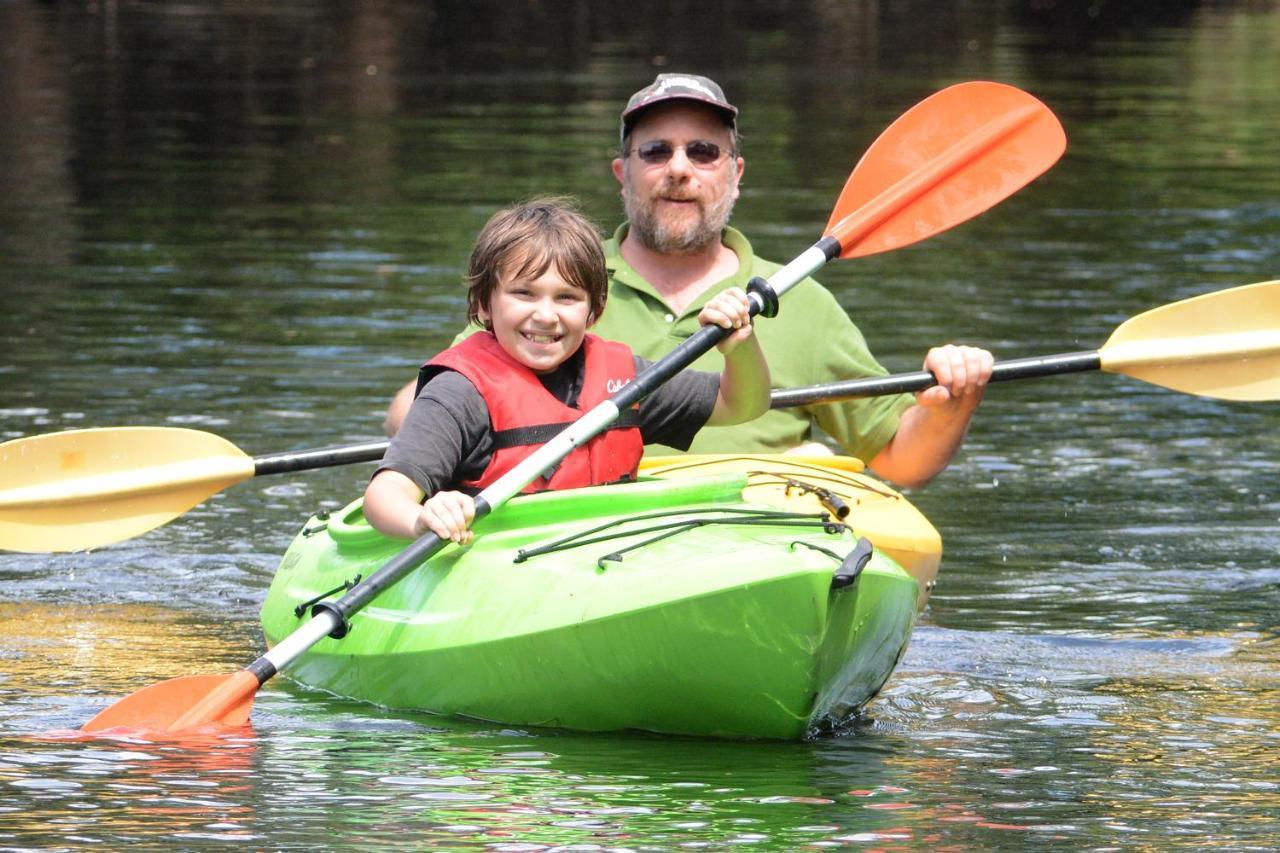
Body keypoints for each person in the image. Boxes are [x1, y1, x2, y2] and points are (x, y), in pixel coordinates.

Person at [385, 73, 993, 489]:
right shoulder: (548, 284)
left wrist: (954, 401)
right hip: (574, 536)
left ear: (735, 174)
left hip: (754, 547)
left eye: (703, 152)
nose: (679, 169)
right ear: (624, 172)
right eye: (657, 152)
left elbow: (898, 459)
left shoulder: (801, 298)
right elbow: (415, 416)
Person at [365, 197, 769, 544]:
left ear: (594, 310)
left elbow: (741, 405)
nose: (545, 315)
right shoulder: (459, 393)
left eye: (567, 297)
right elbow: (384, 495)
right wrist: (423, 517)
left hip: (602, 554)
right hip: (496, 568)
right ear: (484, 304)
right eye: (523, 293)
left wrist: (740, 348)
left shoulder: (622, 379)